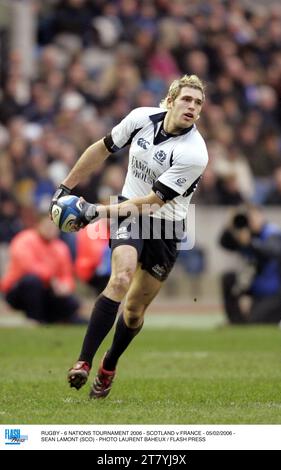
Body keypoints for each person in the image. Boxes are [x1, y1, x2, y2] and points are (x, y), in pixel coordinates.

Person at [50, 74, 208, 398]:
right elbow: (101, 148)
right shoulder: (140, 119)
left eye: (198, 103)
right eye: (186, 99)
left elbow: (153, 203)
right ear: (171, 100)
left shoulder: (194, 153)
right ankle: (83, 361)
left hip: (165, 227)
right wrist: (65, 187)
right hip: (128, 213)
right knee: (120, 279)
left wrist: (95, 210)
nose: (191, 106)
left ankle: (109, 365)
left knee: (134, 311)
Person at [0, 213, 85, 324]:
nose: (50, 229)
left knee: (71, 303)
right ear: (38, 225)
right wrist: (52, 279)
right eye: (47, 226)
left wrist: (66, 286)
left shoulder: (61, 247)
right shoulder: (24, 239)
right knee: (32, 281)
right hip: (17, 290)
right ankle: (34, 320)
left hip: (48, 290)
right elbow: (28, 266)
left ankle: (55, 320)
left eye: (53, 227)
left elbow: (67, 275)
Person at [219, 205, 281, 325]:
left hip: (275, 292)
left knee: (255, 322)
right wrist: (230, 225)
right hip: (255, 287)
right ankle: (235, 322)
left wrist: (250, 243)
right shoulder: (246, 234)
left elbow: (272, 251)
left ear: (261, 216)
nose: (251, 220)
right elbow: (224, 243)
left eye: (254, 216)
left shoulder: (271, 232)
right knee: (228, 279)